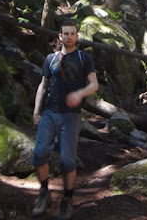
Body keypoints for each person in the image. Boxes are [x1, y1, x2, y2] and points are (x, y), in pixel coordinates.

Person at [30, 19, 99, 219]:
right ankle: (44, 193)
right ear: (60, 36)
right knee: (39, 154)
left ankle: (67, 200)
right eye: (65, 34)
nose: (69, 37)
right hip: (50, 113)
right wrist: (36, 111)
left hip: (71, 115)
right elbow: (43, 85)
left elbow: (94, 85)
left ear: (77, 36)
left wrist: (79, 94)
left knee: (67, 160)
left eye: (72, 33)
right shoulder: (50, 59)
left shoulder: (84, 58)